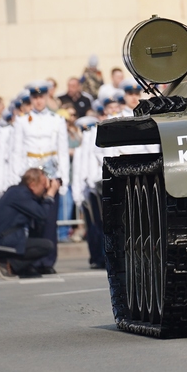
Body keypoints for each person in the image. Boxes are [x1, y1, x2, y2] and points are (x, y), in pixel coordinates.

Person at [5, 82, 69, 273]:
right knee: (32, 220)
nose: (39, 101)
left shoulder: (57, 120)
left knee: (49, 220)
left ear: (47, 98)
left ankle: (47, 262)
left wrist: (62, 178)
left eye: (42, 97)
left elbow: (62, 151)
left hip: (50, 173)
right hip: (31, 176)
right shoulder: (22, 121)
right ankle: (32, 260)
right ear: (31, 99)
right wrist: (17, 177)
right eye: (35, 98)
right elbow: (16, 151)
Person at [0, 168, 58, 278]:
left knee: (37, 236)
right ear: (32, 185)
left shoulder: (17, 191)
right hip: (3, 242)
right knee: (47, 246)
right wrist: (50, 195)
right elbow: (43, 214)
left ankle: (22, 267)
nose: (45, 187)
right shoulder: (21, 195)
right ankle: (9, 264)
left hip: (3, 239)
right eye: (42, 184)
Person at [70, 115, 105, 269]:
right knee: (93, 226)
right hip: (88, 190)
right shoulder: (80, 150)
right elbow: (78, 173)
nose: (86, 134)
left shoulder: (96, 146)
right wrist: (77, 195)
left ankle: (103, 257)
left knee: (101, 225)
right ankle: (96, 256)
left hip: (97, 186)